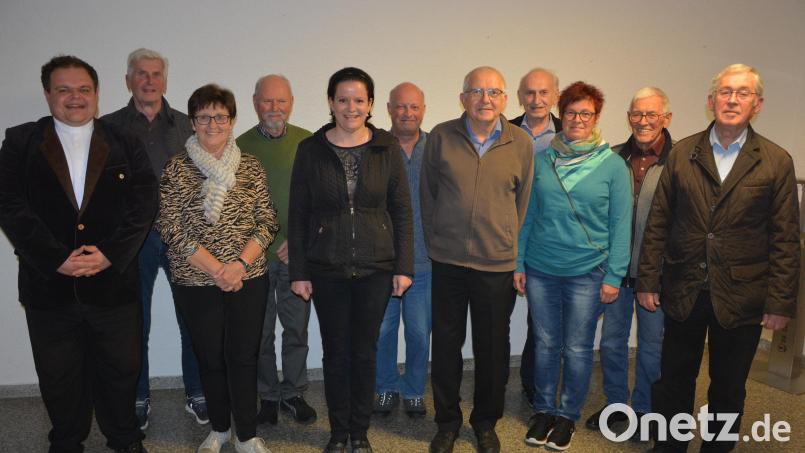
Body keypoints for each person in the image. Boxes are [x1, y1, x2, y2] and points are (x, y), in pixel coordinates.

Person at [637, 64, 799, 453]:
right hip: (684, 288)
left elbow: (785, 239)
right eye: (725, 92)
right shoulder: (682, 154)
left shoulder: (776, 161)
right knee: (674, 379)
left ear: (756, 104)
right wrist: (647, 281)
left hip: (742, 295)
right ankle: (669, 447)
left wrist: (780, 302)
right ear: (711, 102)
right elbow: (659, 221)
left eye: (742, 93)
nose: (732, 99)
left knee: (727, 387)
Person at [0, 55, 156, 453]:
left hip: (113, 286)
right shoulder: (20, 142)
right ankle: (67, 441)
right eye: (64, 89)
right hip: (48, 287)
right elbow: (10, 204)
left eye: (84, 89)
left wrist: (108, 254)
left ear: (97, 94)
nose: (75, 97)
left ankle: (124, 438)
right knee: (58, 376)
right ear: (48, 94)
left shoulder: (124, 140)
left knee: (122, 371)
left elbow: (144, 203)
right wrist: (55, 257)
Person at [288, 67, 413, 453]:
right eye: (343, 99)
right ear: (330, 102)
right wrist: (299, 272)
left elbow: (402, 210)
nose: (351, 107)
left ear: (371, 104)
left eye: (359, 100)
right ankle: (337, 432)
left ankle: (360, 433)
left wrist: (404, 266)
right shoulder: (311, 149)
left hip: (376, 268)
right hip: (327, 269)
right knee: (335, 351)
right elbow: (298, 214)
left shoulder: (387, 146)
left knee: (365, 351)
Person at [156, 84, 278, 453]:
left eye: (220, 116)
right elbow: (169, 226)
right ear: (192, 122)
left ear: (231, 120)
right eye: (204, 116)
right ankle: (220, 429)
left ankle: (246, 434)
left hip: (247, 277)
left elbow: (267, 222)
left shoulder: (251, 166)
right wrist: (216, 269)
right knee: (208, 356)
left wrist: (238, 266)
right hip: (195, 279)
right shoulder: (177, 167)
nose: (213, 123)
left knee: (243, 356)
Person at [422, 66, 534, 453]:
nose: (485, 99)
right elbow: (428, 195)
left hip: (495, 264)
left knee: (493, 350)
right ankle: (447, 422)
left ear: (504, 99)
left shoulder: (520, 143)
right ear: (463, 98)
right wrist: (437, 239)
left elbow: (523, 203)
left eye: (494, 92)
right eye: (477, 91)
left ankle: (486, 422)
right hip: (448, 262)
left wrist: (506, 244)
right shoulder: (441, 136)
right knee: (447, 347)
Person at [515, 81, 632, 451]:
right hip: (541, 268)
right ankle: (544, 410)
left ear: (596, 118)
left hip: (588, 271)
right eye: (570, 112)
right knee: (546, 345)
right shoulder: (543, 160)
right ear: (560, 115)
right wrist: (518, 262)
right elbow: (529, 215)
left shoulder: (612, 165)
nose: (577, 119)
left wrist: (614, 275)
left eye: (586, 113)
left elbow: (621, 224)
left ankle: (567, 416)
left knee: (578, 348)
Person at [102, 48, 206, 430]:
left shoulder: (186, 126)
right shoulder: (107, 127)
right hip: (131, 240)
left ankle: (197, 392)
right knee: (133, 322)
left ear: (165, 80)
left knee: (193, 318)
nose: (149, 80)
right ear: (128, 80)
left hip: (182, 237)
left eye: (156, 74)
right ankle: (138, 395)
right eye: (141, 74)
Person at [585, 87, 673, 437]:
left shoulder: (679, 160)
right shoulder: (612, 158)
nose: (643, 121)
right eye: (636, 114)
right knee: (611, 343)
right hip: (615, 272)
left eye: (651, 114)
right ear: (628, 117)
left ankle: (646, 411)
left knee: (652, 349)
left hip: (656, 276)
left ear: (666, 118)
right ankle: (617, 406)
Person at [236, 74, 317, 426]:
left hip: (296, 259)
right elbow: (233, 207)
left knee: (296, 329)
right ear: (255, 103)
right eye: (267, 101)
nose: (274, 108)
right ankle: (267, 396)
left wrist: (299, 243)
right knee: (260, 333)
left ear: (291, 102)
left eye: (281, 101)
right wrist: (259, 244)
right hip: (254, 260)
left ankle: (295, 392)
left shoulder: (309, 143)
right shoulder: (237, 146)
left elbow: (322, 202)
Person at [373, 82, 431, 418]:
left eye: (414, 107)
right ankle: (385, 387)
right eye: (401, 106)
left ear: (423, 109)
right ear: (389, 109)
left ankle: (413, 390)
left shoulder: (435, 148)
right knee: (382, 331)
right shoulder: (376, 147)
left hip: (425, 262)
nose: (407, 113)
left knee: (420, 333)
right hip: (383, 262)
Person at [509, 67, 562, 404]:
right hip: (502, 237)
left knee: (540, 321)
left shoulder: (569, 135)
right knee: (495, 319)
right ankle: (493, 385)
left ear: (555, 96)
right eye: (530, 92)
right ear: (520, 97)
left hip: (545, 240)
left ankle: (533, 384)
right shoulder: (505, 132)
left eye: (544, 93)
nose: (536, 99)